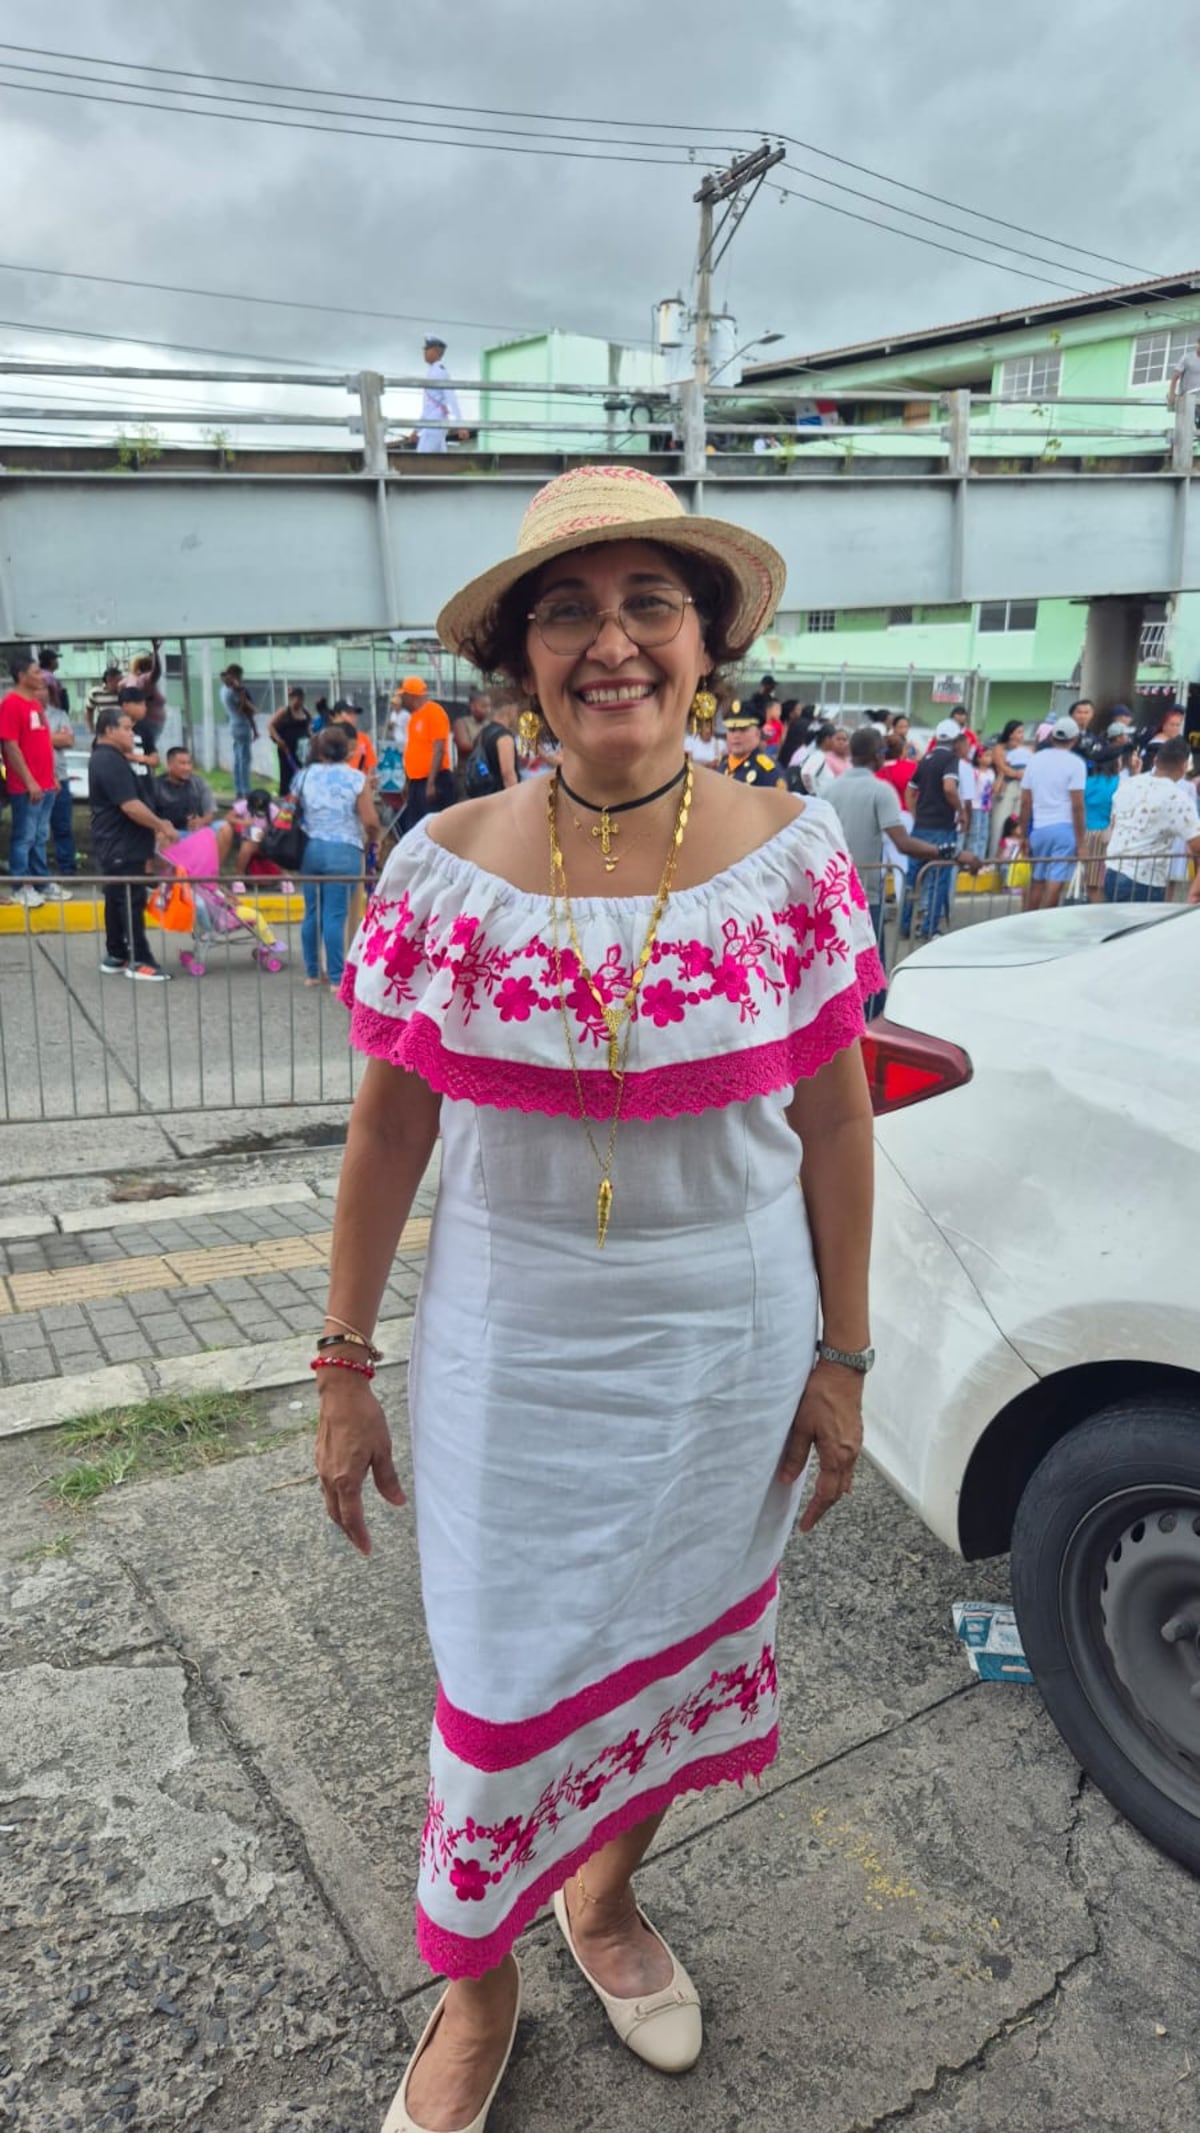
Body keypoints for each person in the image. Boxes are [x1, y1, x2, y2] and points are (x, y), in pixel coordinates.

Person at [316, 462, 882, 2132]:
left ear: (709, 643)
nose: (612, 641)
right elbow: (387, 1122)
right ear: (522, 658)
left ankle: (606, 1896)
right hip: (513, 1353)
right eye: (568, 610)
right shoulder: (439, 867)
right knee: (498, 1683)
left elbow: (840, 1119)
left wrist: (846, 1355)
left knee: (678, 1641)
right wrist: (345, 1355)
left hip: (735, 1342)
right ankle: (476, 1985)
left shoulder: (796, 859)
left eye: (651, 604)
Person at [828, 725, 955, 1013]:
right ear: (878, 755)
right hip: (866, 896)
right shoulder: (879, 790)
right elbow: (902, 842)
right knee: (871, 975)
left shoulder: (830, 789)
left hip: (834, 893)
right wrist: (945, 851)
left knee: (840, 971)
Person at [88, 706, 178, 978]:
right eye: (126, 728)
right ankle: (140, 960)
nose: (131, 733)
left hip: (116, 843)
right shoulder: (108, 760)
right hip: (120, 844)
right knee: (130, 899)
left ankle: (117, 954)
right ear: (109, 730)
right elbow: (130, 806)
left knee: (117, 898)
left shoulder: (111, 758)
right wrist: (160, 825)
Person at [292, 726, 381, 992]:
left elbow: (291, 808)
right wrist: (372, 839)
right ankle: (335, 977)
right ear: (348, 750)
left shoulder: (303, 776)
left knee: (312, 912)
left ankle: (311, 973)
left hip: (310, 849)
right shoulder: (355, 778)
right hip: (344, 850)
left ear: (319, 749)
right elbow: (370, 820)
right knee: (335, 914)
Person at [0, 649, 71, 908]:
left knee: (40, 836)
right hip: (26, 786)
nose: (40, 676)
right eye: (34, 672)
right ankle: (21, 885)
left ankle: (41, 881)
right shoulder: (11, 704)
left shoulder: (35, 705)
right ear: (21, 676)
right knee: (24, 836)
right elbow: (10, 746)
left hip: (45, 784)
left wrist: (51, 776)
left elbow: (41, 745)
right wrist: (29, 780)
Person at [1104, 738, 1200, 903]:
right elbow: (1196, 844)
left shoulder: (1128, 784)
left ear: (1156, 760)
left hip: (1113, 870)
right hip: (1144, 880)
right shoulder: (1177, 798)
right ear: (1184, 766)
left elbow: (1113, 821)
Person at [900, 717, 966, 938]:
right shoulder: (950, 760)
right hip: (943, 828)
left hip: (921, 828)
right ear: (956, 740)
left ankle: (904, 925)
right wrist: (961, 810)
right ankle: (929, 928)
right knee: (938, 879)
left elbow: (910, 791)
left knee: (912, 880)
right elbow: (949, 788)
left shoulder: (925, 759)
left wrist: (916, 814)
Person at [1019, 715, 1086, 911]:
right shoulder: (1076, 764)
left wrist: (1023, 834)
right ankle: (1044, 921)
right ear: (1075, 739)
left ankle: (1028, 921)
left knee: (1037, 879)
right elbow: (1077, 805)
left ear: (1051, 737)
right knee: (1056, 880)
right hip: (1065, 828)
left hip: (1039, 828)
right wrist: (1081, 842)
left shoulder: (1035, 760)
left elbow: (1025, 801)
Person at [40, 649, 78, 880]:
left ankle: (68, 868)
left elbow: (68, 740)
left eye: (45, 688)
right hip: (33, 780)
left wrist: (35, 736)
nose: (41, 692)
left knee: (62, 826)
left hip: (60, 776)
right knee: (36, 831)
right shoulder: (21, 714)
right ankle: (38, 872)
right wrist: (53, 738)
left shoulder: (59, 714)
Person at [400, 692, 453, 829]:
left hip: (433, 780)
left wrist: (431, 783)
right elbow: (412, 750)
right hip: (416, 782)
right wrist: (407, 781)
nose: (401, 700)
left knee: (432, 827)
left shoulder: (434, 712)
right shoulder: (413, 717)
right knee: (414, 826)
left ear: (412, 696)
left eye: (403, 696)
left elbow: (439, 749)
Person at [462, 692, 521, 797]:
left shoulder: (483, 733)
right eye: (516, 712)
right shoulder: (504, 737)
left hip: (483, 797)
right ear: (509, 710)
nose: (517, 716)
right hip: (500, 799)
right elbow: (508, 774)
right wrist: (516, 800)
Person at [988, 720, 1031, 857]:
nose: (1022, 735)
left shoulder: (1026, 750)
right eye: (1019, 732)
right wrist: (1018, 773)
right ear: (1011, 734)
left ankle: (1013, 859)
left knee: (1016, 824)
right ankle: (994, 858)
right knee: (999, 824)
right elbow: (1002, 767)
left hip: (1022, 788)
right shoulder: (999, 748)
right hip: (1006, 788)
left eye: (1022, 732)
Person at [417, 336, 467, 454]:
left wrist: (461, 425)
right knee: (439, 459)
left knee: (422, 458)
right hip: (431, 423)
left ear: (435, 351)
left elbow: (452, 399)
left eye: (427, 349)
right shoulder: (432, 371)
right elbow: (427, 408)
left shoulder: (440, 372)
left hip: (436, 423)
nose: (424, 352)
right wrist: (416, 429)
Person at [153, 747, 217, 833]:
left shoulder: (198, 783)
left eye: (189, 763)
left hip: (195, 831)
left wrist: (201, 821)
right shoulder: (156, 786)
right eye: (182, 764)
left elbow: (210, 812)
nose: (187, 768)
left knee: (223, 828)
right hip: (168, 833)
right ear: (169, 764)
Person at [722, 707, 787, 785]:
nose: (736, 735)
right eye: (732, 730)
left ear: (757, 734)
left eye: (743, 729)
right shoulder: (722, 765)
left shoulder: (768, 771)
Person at [220, 663, 258, 798]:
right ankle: (245, 790)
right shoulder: (232, 692)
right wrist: (242, 695)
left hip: (233, 724)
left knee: (237, 758)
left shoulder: (223, 690)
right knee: (244, 759)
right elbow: (248, 709)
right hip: (241, 724)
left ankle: (238, 788)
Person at [267, 686, 313, 794]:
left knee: (301, 770)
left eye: (298, 698)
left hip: (302, 748)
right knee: (287, 772)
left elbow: (308, 727)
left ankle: (299, 793)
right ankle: (286, 793)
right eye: (293, 698)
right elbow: (270, 725)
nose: (296, 701)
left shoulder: (305, 713)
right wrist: (278, 740)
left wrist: (312, 737)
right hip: (286, 747)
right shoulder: (284, 711)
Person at [86, 661, 123, 734]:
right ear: (109, 680)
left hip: (121, 728)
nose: (121, 682)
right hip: (103, 728)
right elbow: (89, 710)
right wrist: (91, 727)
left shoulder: (125, 692)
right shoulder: (95, 693)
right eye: (118, 680)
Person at [1168, 335, 1200, 417]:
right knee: (1190, 425)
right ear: (1197, 343)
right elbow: (1175, 376)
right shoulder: (1187, 358)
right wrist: (1172, 394)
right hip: (1188, 399)